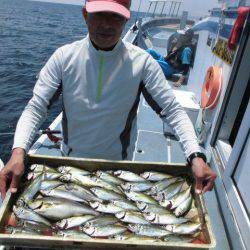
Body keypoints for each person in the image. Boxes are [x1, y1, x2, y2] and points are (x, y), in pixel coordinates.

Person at [0, 0, 216, 200]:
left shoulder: (142, 63)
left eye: (116, 17)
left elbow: (173, 111)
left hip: (119, 170)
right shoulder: (64, 57)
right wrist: (18, 151)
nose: (106, 24)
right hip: (70, 164)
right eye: (99, 14)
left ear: (127, 19)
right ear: (85, 15)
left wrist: (196, 155)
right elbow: (36, 108)